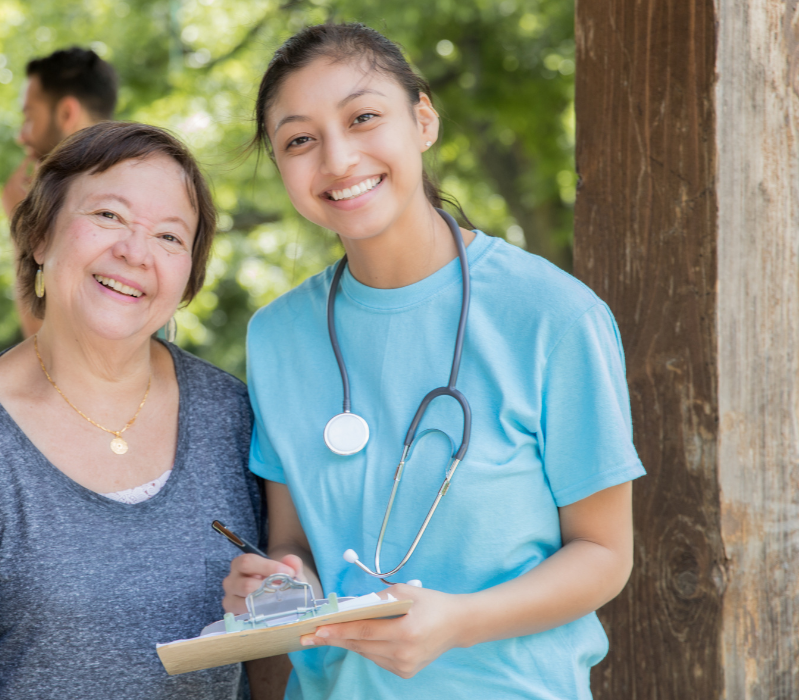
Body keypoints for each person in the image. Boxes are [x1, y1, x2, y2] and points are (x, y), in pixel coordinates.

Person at [221, 23, 644, 700]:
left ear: (423, 120)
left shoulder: (555, 317)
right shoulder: (276, 337)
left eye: (363, 118)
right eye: (300, 140)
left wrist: (460, 622)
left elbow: (604, 554)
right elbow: (293, 540)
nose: (338, 159)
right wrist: (280, 582)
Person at [0, 122, 263, 700]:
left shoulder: (232, 415)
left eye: (169, 236)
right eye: (108, 215)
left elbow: (278, 651)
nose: (135, 251)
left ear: (188, 277)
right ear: (40, 236)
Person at [1, 47, 120, 337]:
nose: (22, 136)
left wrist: (23, 224)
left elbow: (46, 342)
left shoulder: (100, 211)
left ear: (67, 113)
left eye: (30, 117)